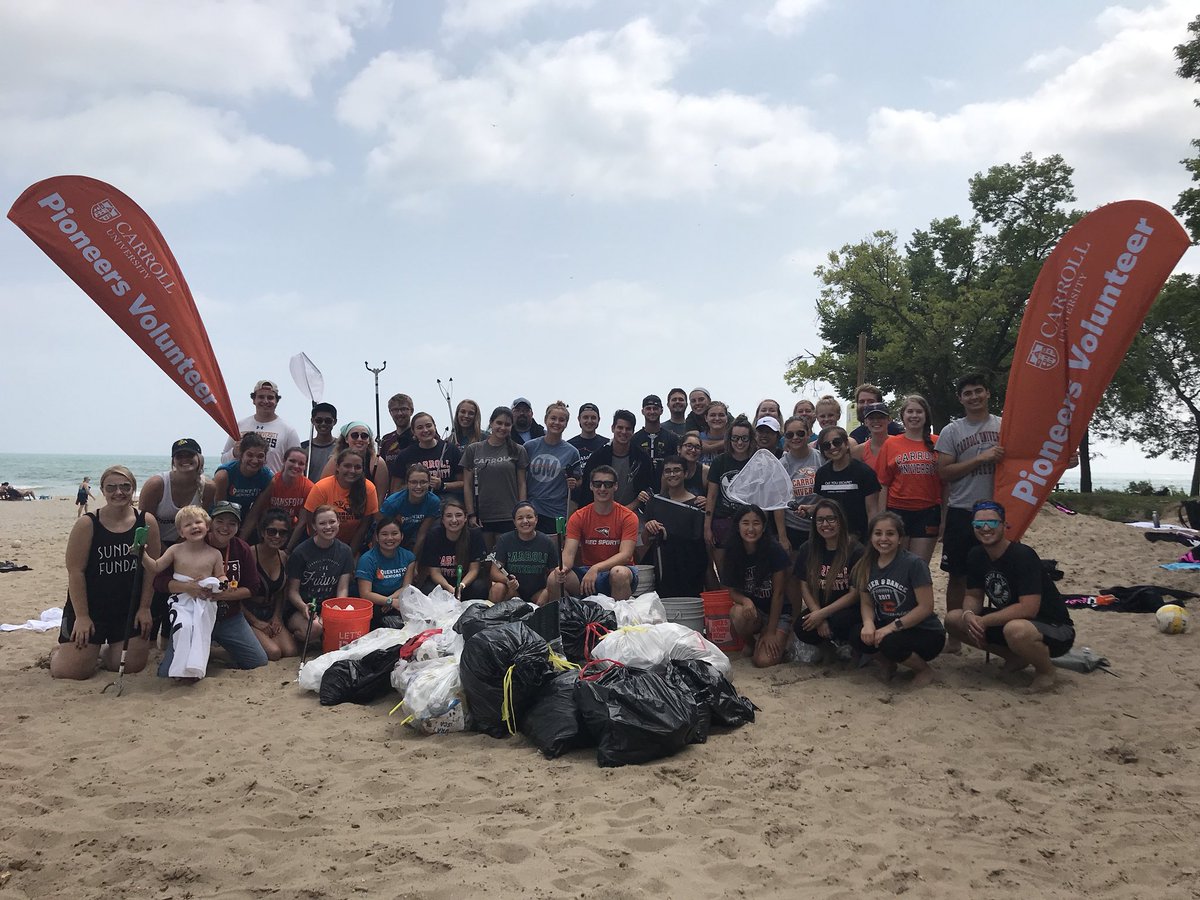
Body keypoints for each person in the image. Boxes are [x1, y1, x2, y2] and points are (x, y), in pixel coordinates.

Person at [946, 500, 1075, 693]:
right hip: (1008, 623)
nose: (986, 528)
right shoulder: (976, 554)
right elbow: (973, 595)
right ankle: (1015, 656)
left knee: (1016, 629)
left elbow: (1028, 608)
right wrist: (969, 615)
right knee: (953, 619)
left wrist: (984, 620)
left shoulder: (1022, 555)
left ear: (1004, 524)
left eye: (993, 523)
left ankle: (1045, 672)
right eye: (979, 524)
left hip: (1053, 627)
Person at [51, 465, 161, 680]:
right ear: (102, 490)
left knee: (128, 666)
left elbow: (152, 569)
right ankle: (61, 653)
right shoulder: (88, 523)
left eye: (125, 487)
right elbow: (75, 572)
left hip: (128, 608)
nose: (118, 492)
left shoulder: (146, 522)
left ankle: (100, 651)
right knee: (72, 672)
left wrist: (145, 607)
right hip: (92, 608)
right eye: (111, 487)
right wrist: (82, 617)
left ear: (134, 489)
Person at [154, 500, 270, 678]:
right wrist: (187, 587)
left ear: (238, 527)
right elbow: (160, 581)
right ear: (210, 523)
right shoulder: (191, 540)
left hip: (228, 617)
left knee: (257, 661)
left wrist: (222, 594)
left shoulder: (241, 548)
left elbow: (253, 588)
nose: (225, 527)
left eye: (232, 523)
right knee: (166, 673)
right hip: (192, 615)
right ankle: (198, 650)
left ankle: (210, 652)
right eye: (220, 521)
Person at [936, 372, 1005, 652]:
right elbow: (944, 472)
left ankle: (999, 633)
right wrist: (981, 458)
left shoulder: (1004, 426)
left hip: (998, 512)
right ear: (960, 399)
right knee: (958, 575)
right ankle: (955, 634)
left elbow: (1032, 457)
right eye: (968, 393)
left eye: (979, 391)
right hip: (962, 510)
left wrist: (1067, 459)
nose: (974, 397)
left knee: (1000, 574)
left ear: (988, 393)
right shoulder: (952, 431)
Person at [852, 512, 945, 687]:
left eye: (890, 533)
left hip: (924, 631)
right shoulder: (864, 564)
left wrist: (891, 628)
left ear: (900, 538)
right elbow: (866, 602)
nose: (883, 539)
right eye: (878, 533)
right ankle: (888, 663)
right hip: (889, 623)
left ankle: (923, 669)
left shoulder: (914, 564)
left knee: (889, 641)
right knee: (858, 634)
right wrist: (868, 623)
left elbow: (926, 607)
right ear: (871, 537)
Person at [792, 498, 865, 658]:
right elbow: (803, 586)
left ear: (840, 521)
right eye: (820, 520)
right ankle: (828, 649)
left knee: (840, 621)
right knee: (801, 626)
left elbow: (854, 594)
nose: (825, 524)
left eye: (831, 519)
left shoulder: (856, 550)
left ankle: (853, 649)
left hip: (848, 609)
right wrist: (816, 613)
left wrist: (822, 614)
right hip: (821, 604)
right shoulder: (808, 548)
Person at [876, 395, 942, 564]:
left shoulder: (938, 443)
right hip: (897, 511)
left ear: (926, 415)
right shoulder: (891, 444)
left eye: (919, 411)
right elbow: (883, 484)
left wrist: (945, 517)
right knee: (897, 565)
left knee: (919, 566)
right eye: (910, 411)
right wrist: (883, 517)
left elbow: (946, 483)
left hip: (928, 512)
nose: (914, 415)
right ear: (903, 416)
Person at [557, 465, 639, 600]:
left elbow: (625, 555)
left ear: (615, 486)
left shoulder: (628, 516)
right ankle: (564, 618)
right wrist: (562, 568)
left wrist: (596, 568)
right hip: (587, 571)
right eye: (597, 484)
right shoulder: (579, 516)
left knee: (619, 573)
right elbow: (569, 553)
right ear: (591, 486)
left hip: (620, 569)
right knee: (555, 578)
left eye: (607, 484)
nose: (602, 489)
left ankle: (622, 618)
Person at [723, 505, 790, 668]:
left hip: (778, 611)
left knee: (763, 661)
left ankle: (783, 637)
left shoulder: (774, 550)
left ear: (764, 526)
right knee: (737, 613)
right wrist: (745, 600)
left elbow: (779, 593)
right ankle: (752, 643)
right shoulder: (732, 550)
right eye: (745, 523)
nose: (751, 529)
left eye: (756, 523)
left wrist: (772, 631)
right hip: (755, 611)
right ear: (738, 526)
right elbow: (731, 591)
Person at [285, 505, 354, 650]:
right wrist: (303, 607)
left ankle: (320, 636)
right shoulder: (300, 552)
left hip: (330, 607)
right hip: (302, 608)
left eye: (332, 522)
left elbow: (342, 588)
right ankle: (298, 636)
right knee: (316, 627)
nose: (328, 527)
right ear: (314, 526)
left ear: (338, 522)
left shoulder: (345, 551)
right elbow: (292, 591)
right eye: (322, 523)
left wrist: (333, 612)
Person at [462, 406, 529, 549]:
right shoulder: (473, 449)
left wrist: (522, 511)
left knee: (503, 562)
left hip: (508, 515)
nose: (502, 427)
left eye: (507, 424)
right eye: (499, 423)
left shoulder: (518, 450)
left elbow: (522, 483)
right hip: (482, 515)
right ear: (491, 423)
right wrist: (471, 514)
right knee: (484, 560)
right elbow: (466, 485)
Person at [642, 456, 707, 596]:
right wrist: (649, 527)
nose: (672, 474)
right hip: (661, 569)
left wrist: (669, 536)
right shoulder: (655, 502)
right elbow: (646, 541)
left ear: (686, 473)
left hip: (688, 570)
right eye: (668, 471)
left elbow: (698, 543)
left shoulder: (697, 505)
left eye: (677, 470)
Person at [297, 448, 380, 554]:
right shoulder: (321, 487)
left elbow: (363, 527)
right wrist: (322, 550)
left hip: (351, 543)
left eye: (357, 467)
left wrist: (350, 553)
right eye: (347, 466)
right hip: (319, 541)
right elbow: (311, 523)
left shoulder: (369, 488)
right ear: (337, 467)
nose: (352, 471)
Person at [705, 415, 758, 567]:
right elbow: (712, 495)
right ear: (729, 439)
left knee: (749, 569)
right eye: (735, 438)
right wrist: (707, 527)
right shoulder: (720, 461)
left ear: (751, 439)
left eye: (744, 438)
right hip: (722, 522)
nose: (739, 443)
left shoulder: (757, 462)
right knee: (725, 572)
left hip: (750, 523)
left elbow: (763, 496)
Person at [245, 508, 297, 660]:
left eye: (283, 532)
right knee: (274, 653)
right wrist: (256, 622)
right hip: (248, 613)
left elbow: (281, 592)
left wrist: (277, 617)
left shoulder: (283, 557)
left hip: (270, 611)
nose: (277, 536)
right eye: (271, 531)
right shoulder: (249, 554)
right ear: (262, 532)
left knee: (290, 651)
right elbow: (235, 597)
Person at [813, 425, 881, 541]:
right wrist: (809, 509)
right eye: (826, 445)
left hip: (859, 538)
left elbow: (872, 511)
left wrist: (872, 540)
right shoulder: (821, 474)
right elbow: (822, 507)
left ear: (847, 444)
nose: (832, 447)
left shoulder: (865, 472)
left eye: (837, 442)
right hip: (830, 537)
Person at [524, 401, 582, 534]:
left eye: (562, 420)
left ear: (566, 424)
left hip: (557, 512)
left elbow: (579, 479)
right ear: (545, 420)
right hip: (532, 510)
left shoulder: (572, 452)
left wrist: (574, 482)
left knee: (555, 550)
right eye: (553, 418)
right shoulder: (529, 447)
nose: (557, 423)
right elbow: (521, 478)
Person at [220, 379, 301, 474]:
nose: (266, 401)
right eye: (261, 397)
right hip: (240, 486)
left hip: (272, 486)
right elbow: (223, 460)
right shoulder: (240, 425)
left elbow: (298, 464)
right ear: (254, 400)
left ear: (276, 401)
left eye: (270, 397)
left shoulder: (288, 430)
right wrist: (234, 453)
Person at [578, 410, 653, 509]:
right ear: (613, 428)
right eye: (620, 428)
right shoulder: (597, 458)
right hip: (601, 512)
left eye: (628, 429)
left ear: (633, 431)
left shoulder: (642, 458)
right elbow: (587, 492)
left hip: (634, 513)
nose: (624, 432)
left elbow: (650, 488)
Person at [490, 502, 561, 605]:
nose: (525, 521)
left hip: (537, 592)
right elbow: (494, 572)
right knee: (497, 588)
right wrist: (507, 580)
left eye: (529, 517)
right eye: (520, 518)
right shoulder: (504, 540)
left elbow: (553, 573)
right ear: (514, 522)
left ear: (536, 519)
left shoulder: (547, 542)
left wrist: (547, 590)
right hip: (513, 590)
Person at [418, 499, 488, 600]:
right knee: (428, 589)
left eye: (459, 515)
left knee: (480, 587)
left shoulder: (474, 535)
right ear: (442, 519)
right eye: (449, 516)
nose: (454, 520)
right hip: (442, 582)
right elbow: (434, 572)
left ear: (465, 518)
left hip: (465, 582)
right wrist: (448, 587)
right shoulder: (433, 535)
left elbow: (474, 569)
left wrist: (461, 586)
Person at [355, 514, 417, 624]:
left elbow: (406, 587)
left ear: (402, 536)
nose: (389, 538)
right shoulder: (367, 559)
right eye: (384, 534)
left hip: (397, 600)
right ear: (377, 538)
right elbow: (365, 593)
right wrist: (389, 601)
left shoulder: (409, 557)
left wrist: (390, 600)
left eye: (394, 534)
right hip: (374, 603)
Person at [390, 412, 463, 501]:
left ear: (435, 427)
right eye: (420, 428)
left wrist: (443, 485)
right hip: (417, 504)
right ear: (413, 431)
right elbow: (395, 489)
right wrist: (416, 486)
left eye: (428, 426)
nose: (425, 430)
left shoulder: (450, 449)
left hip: (448, 503)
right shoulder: (405, 455)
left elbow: (464, 483)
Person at [244, 446, 313, 537]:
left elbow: (302, 522)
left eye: (301, 463)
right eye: (292, 461)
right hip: (267, 529)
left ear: (305, 466)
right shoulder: (271, 482)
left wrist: (288, 550)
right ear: (284, 461)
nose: (296, 466)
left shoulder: (308, 487)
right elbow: (258, 514)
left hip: (290, 530)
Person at [779, 414, 824, 550]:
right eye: (790, 435)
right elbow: (779, 504)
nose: (795, 438)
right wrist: (782, 537)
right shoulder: (782, 465)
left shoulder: (821, 459)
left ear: (808, 434)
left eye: (800, 433)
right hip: (793, 527)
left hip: (820, 525)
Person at [379, 463, 441, 554]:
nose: (418, 486)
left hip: (414, 537)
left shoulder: (433, 501)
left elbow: (422, 534)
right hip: (393, 537)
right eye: (414, 482)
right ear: (407, 483)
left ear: (429, 483)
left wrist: (413, 561)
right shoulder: (392, 503)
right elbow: (381, 532)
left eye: (423, 482)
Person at [320, 422, 389, 500]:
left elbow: (380, 496)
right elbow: (323, 488)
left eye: (364, 436)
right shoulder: (335, 460)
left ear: (369, 440)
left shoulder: (377, 462)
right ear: (346, 439)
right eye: (355, 436)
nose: (359, 439)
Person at [213, 433, 273, 515]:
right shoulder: (223, 475)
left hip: (243, 518)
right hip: (219, 517)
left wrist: (245, 528)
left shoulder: (267, 478)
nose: (255, 461)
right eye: (250, 455)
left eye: (260, 456)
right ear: (241, 455)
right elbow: (220, 510)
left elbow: (255, 512)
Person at [633, 394, 679, 481]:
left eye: (655, 408)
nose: (652, 411)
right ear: (642, 411)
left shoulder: (672, 438)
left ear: (661, 411)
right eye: (648, 408)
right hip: (641, 488)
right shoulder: (635, 439)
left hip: (667, 486)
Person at [301, 402, 338, 481]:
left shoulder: (342, 447)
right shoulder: (303, 448)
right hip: (309, 491)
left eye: (328, 421)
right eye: (319, 420)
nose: (323, 424)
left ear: (335, 422)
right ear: (312, 421)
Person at [567, 402, 608, 470]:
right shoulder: (569, 446)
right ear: (579, 419)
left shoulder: (606, 445)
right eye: (585, 417)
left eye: (593, 418)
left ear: (599, 420)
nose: (589, 421)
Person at [379, 393, 415, 470]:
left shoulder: (420, 435)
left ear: (411, 411)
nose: (399, 413)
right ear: (390, 412)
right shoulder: (386, 440)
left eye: (403, 409)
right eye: (395, 410)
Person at [852, 402, 892, 469]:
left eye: (881, 417)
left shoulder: (900, 445)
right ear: (865, 422)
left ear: (889, 420)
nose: (876, 420)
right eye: (871, 418)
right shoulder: (858, 451)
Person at [678, 432, 709, 503]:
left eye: (697, 447)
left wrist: (707, 501)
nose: (693, 450)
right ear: (679, 449)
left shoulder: (706, 471)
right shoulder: (669, 469)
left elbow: (714, 498)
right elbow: (662, 496)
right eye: (689, 446)